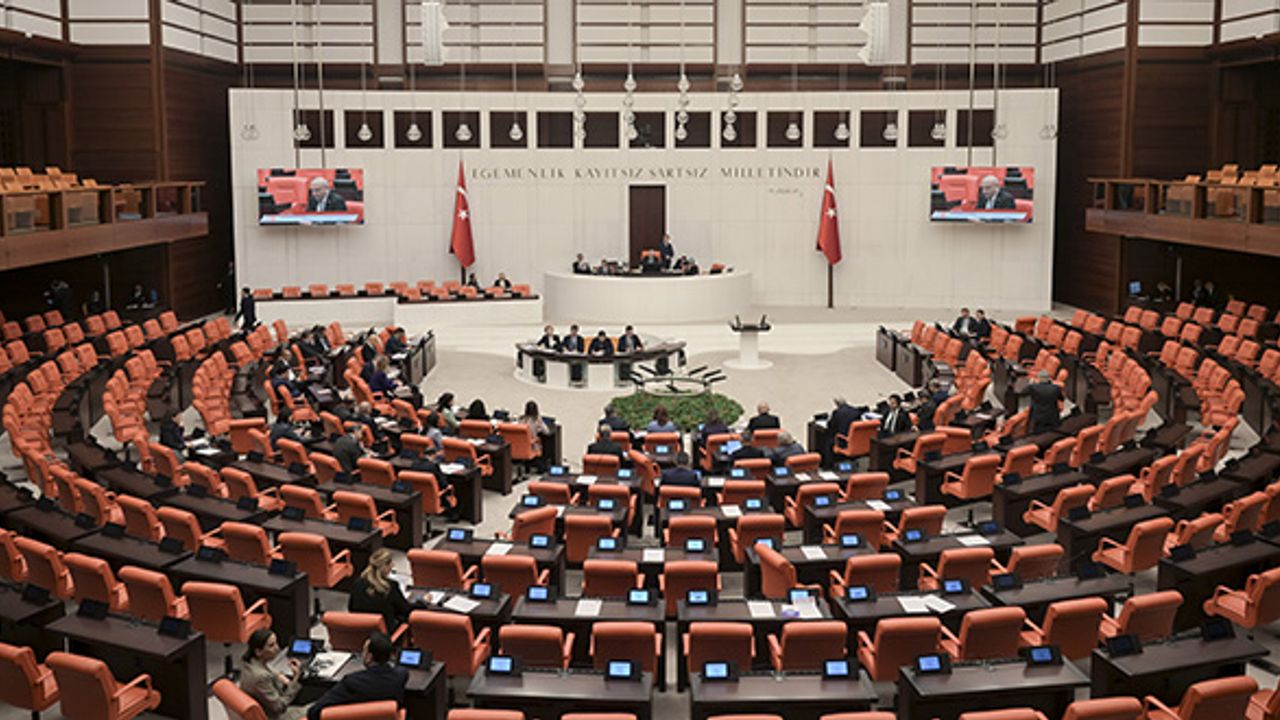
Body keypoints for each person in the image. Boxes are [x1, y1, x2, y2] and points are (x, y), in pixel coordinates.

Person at [306, 632, 407, 720]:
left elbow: (314, 712)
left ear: (369, 657)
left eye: (364, 651)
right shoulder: (400, 676)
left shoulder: (351, 682)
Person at [239, 629, 305, 720]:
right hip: (275, 716)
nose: (277, 648)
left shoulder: (249, 664)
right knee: (317, 709)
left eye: (276, 643)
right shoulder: (261, 677)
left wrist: (278, 675)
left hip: (267, 708)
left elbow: (267, 669)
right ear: (258, 651)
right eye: (271, 646)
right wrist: (296, 678)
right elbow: (280, 707)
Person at [347, 548, 412, 634]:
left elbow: (351, 608)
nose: (392, 565)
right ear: (385, 566)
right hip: (385, 636)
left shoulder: (357, 583)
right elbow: (406, 610)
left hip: (360, 632)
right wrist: (422, 602)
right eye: (390, 563)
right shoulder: (390, 587)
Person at [825, 397, 860, 463]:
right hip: (855, 440)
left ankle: (828, 464)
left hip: (843, 441)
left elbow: (831, 426)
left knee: (828, 440)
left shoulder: (837, 413)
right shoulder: (856, 411)